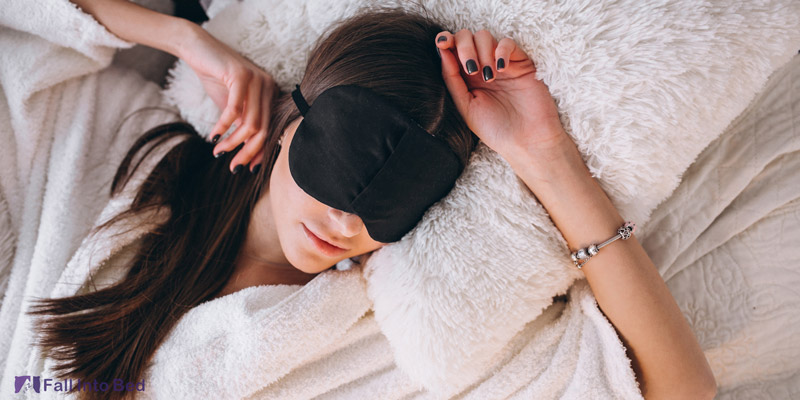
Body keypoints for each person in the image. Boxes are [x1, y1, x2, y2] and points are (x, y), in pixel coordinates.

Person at [26, 1, 716, 399]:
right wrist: (184, 37)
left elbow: (681, 392)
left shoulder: (380, 341)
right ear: (293, 113)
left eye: (392, 203)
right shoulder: (133, 164)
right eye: (337, 163)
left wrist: (545, 155)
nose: (346, 220)